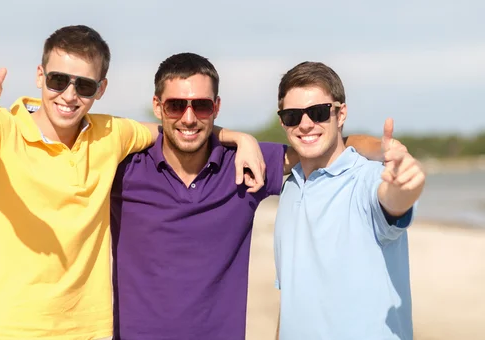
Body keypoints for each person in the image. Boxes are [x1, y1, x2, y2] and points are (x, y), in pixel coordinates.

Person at [0, 25, 264, 340]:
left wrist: (239, 137)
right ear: (40, 75)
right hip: (8, 330)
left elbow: (180, 127)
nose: (68, 95)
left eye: (84, 86)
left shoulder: (109, 133)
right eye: (57, 80)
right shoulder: (0, 131)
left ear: (101, 89)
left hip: (89, 331)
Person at [110, 53, 395, 339]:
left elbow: (331, 144)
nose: (188, 117)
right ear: (157, 106)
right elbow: (90, 130)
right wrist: (238, 135)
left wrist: (387, 151)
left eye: (202, 106)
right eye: (175, 106)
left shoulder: (245, 165)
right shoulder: (123, 169)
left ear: (216, 107)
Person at [273, 61, 425, 339]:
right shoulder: (291, 187)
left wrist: (404, 188)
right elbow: (291, 298)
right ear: (283, 121)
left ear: (340, 113)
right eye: (293, 116)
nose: (305, 125)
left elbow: (390, 203)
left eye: (318, 112)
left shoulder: (367, 179)